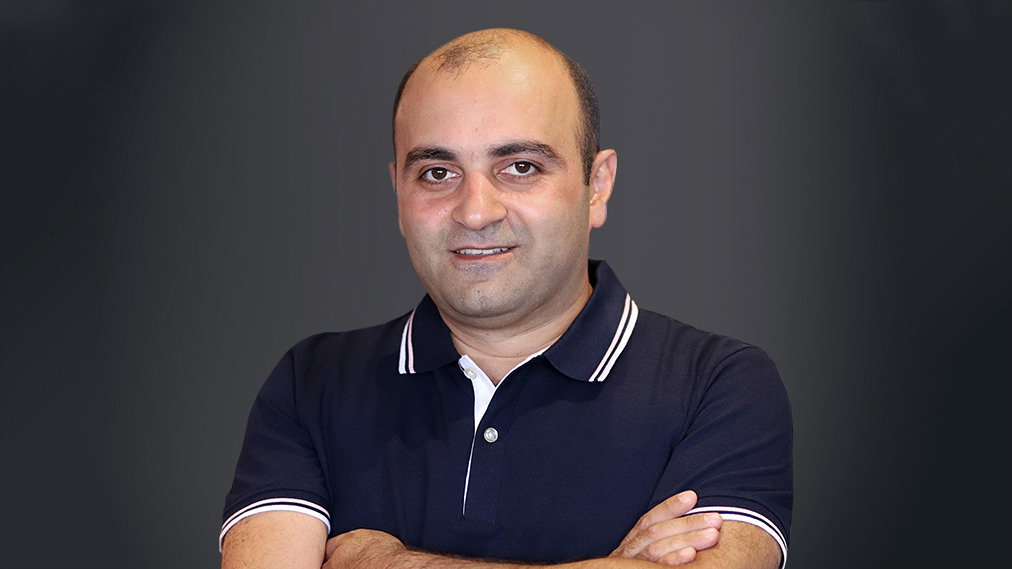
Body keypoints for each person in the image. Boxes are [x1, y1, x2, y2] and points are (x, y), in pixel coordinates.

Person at [220, 28, 792, 569]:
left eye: (520, 167)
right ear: (398, 190)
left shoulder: (719, 385)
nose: (475, 212)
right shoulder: (312, 382)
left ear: (597, 186)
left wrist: (390, 561)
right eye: (437, 173)